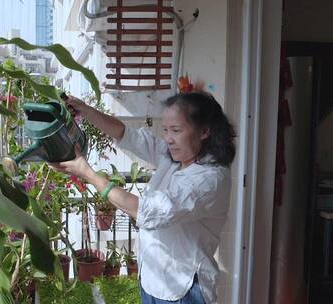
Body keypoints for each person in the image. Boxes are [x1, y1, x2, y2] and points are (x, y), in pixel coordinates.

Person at [49, 92, 236, 304]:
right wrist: (86, 110)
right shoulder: (178, 157)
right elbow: (126, 135)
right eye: (165, 130)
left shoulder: (208, 179)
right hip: (153, 278)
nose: (168, 139)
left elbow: (146, 211)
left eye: (176, 130)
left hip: (183, 289)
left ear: (204, 131)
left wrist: (88, 174)